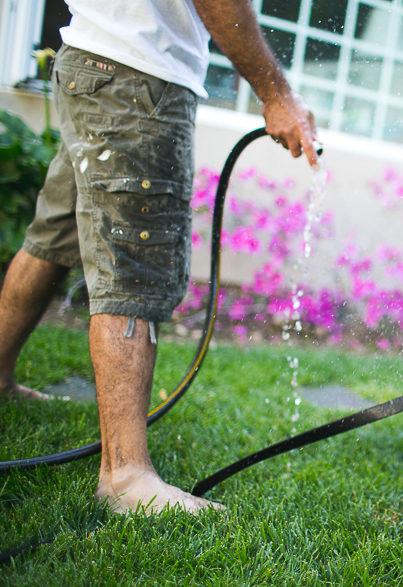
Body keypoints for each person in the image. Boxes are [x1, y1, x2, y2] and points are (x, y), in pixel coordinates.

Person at [0, 0, 319, 515]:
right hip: (135, 77)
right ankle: (124, 475)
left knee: (55, 235)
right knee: (134, 262)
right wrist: (276, 93)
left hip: (95, 57)